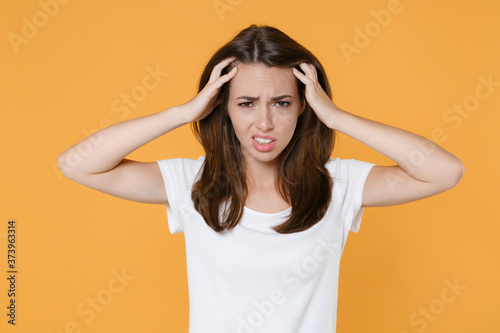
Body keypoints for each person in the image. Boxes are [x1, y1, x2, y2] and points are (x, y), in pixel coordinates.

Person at [57, 24, 464, 333]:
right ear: (223, 107)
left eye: (282, 103)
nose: (264, 122)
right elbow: (76, 163)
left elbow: (446, 171)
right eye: (247, 103)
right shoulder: (190, 184)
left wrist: (338, 117)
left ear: (305, 106)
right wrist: (183, 112)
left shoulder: (338, 187)